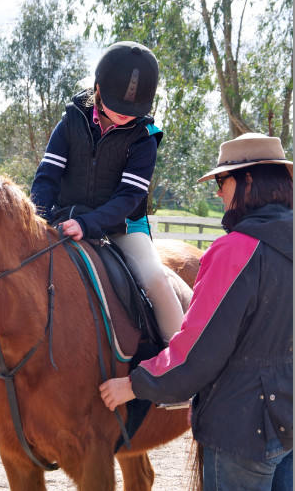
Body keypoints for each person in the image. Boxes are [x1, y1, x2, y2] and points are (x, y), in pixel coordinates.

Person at [99, 133, 293, 490]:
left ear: (249, 180)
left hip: (241, 429)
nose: (218, 192)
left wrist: (134, 384)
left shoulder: (235, 251)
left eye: (222, 180)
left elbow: (197, 351)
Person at [30, 40, 185, 345]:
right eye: (119, 106)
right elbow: (47, 178)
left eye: (135, 109)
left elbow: (129, 199)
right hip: (64, 218)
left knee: (155, 280)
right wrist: (40, 219)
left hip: (123, 227)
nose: (127, 114)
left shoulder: (145, 139)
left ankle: (184, 363)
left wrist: (87, 225)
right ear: (98, 90)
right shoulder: (69, 123)